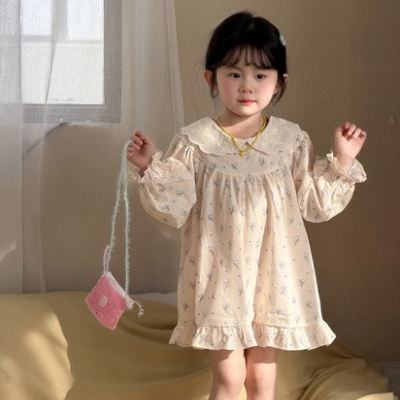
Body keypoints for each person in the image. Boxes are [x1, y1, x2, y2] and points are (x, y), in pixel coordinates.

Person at [127, 11, 367, 400]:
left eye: (260, 75)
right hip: (218, 277)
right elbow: (174, 207)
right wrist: (149, 167)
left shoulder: (290, 141)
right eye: (234, 73)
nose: (247, 86)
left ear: (279, 82)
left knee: (261, 379)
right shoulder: (195, 142)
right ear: (211, 78)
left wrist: (342, 159)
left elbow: (314, 203)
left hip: (275, 274)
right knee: (229, 377)